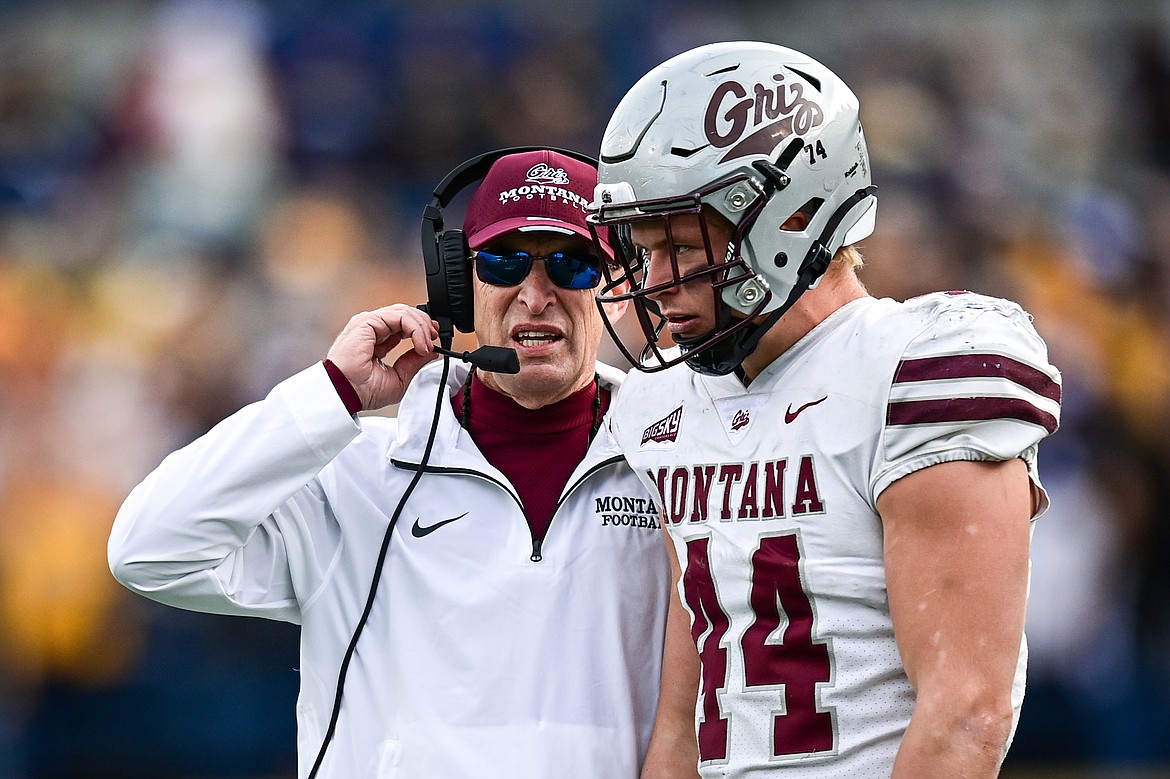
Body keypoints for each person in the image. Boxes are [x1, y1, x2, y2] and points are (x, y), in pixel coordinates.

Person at [108, 148, 672, 778]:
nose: (535, 295)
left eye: (572, 265)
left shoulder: (678, 466)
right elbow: (148, 549)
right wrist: (332, 393)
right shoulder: (356, 476)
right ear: (460, 283)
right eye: (504, 261)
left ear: (618, 291)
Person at [587, 42, 1063, 778]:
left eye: (680, 244)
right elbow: (683, 724)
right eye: (641, 247)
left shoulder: (918, 368)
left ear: (790, 216)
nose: (653, 282)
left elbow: (968, 711)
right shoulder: (660, 406)